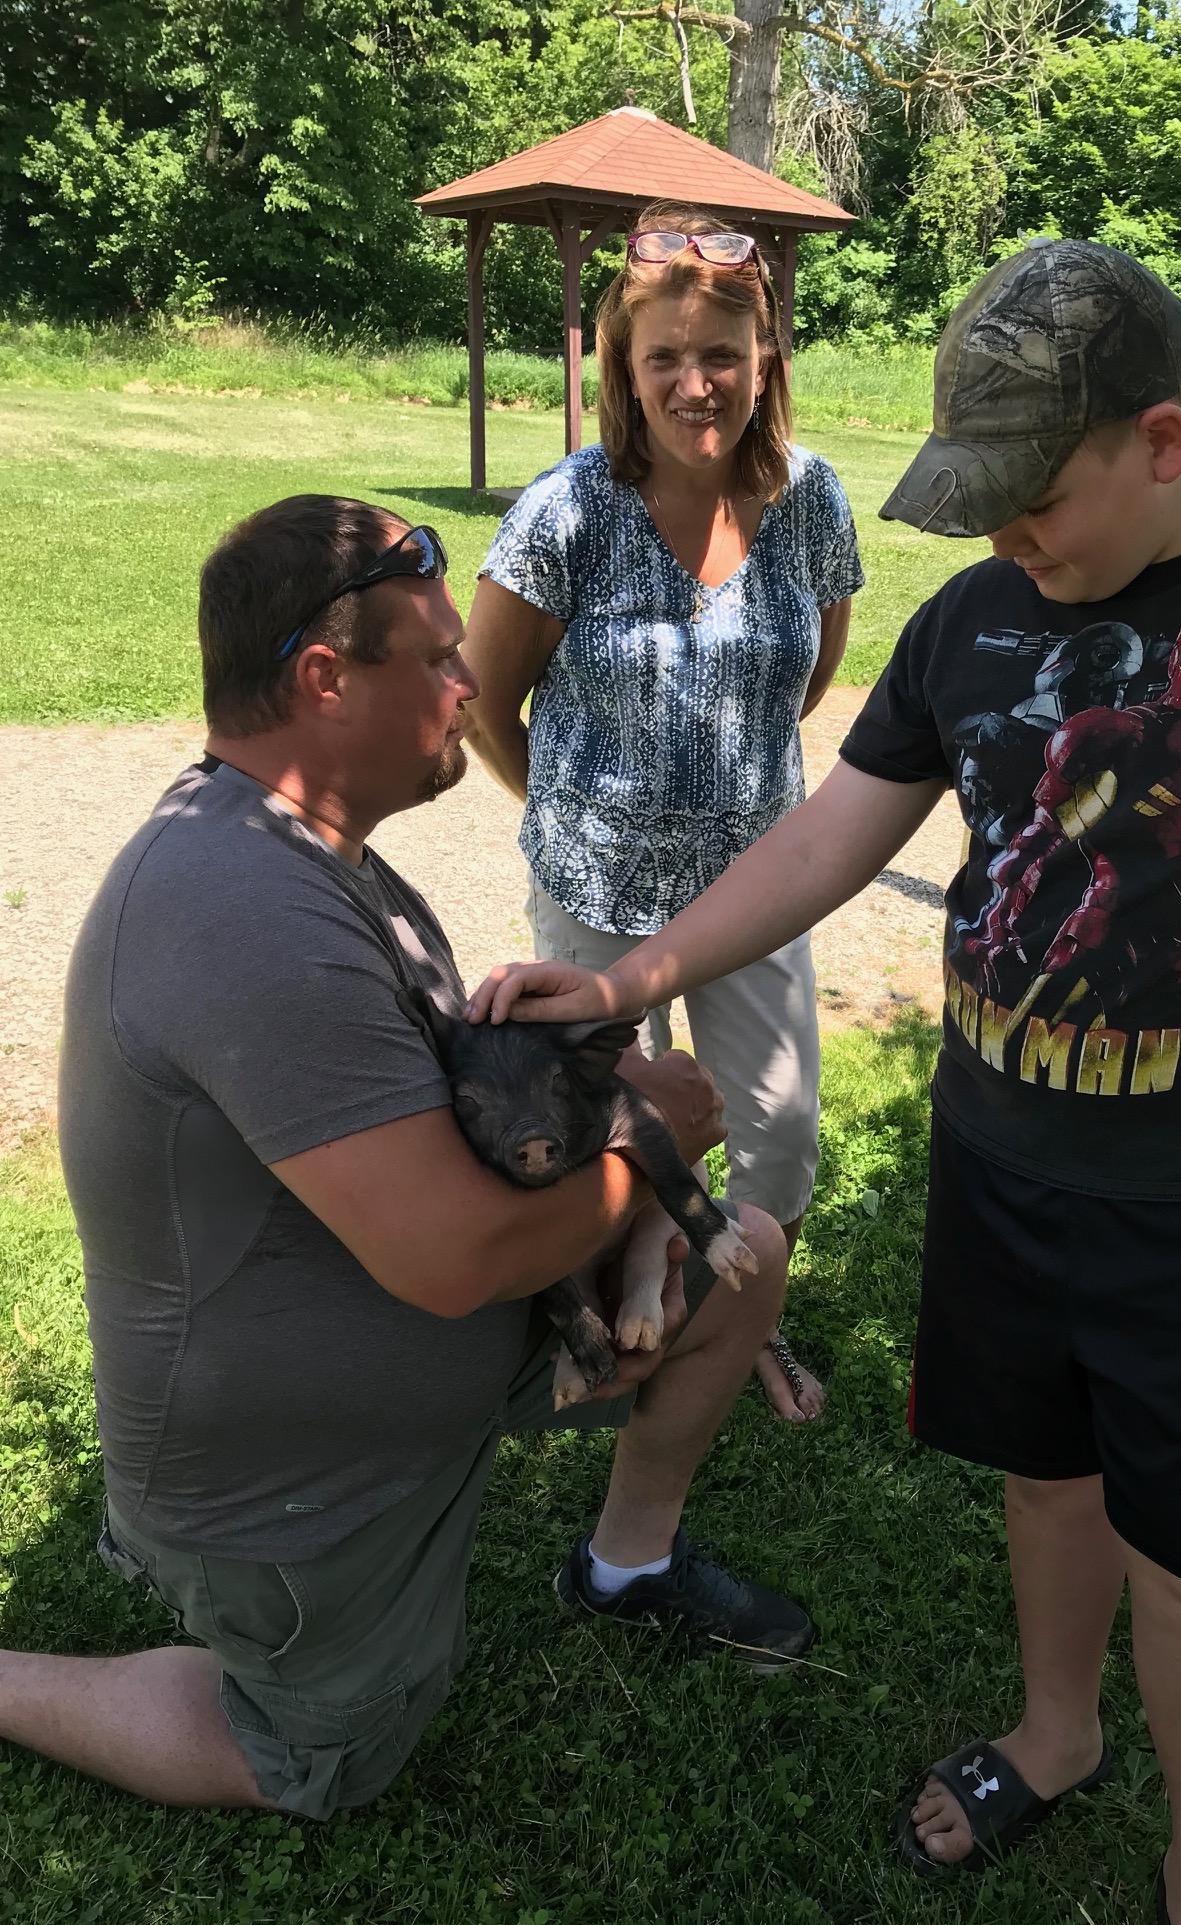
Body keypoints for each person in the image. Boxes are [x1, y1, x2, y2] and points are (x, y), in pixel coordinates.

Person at [464, 242, 1181, 1925]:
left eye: (1035, 500)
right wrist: (632, 984)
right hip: (1004, 1168)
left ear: (1158, 439)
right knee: (1045, 1479)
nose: (1008, 536)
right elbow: (824, 840)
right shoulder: (972, 619)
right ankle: (1054, 1731)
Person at [0, 495, 813, 1822]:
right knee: (320, 1758)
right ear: (325, 680)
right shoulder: (244, 911)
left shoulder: (305, 850)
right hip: (288, 1488)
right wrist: (654, 1138)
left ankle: (626, 1562)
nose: (469, 682)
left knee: (743, 1260)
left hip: (429, 1365)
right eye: (435, 658)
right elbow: (458, 1258)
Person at [463, 201, 865, 1424]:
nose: (697, 384)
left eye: (723, 357)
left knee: (781, 1129)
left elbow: (814, 669)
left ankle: (745, 1319)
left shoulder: (812, 499)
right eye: (665, 361)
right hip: (591, 891)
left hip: (757, 883)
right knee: (598, 1129)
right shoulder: (567, 511)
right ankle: (601, 1316)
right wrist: (562, 810)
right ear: (625, 375)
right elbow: (483, 698)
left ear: (766, 360)